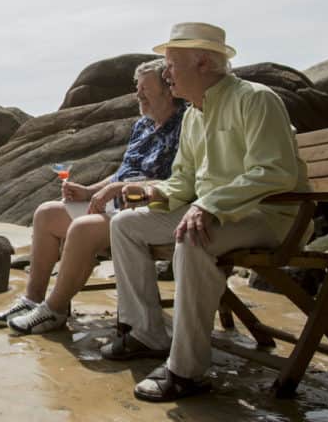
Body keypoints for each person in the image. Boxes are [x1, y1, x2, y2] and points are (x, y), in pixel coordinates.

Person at [100, 22, 309, 402]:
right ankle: (145, 332)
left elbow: (275, 170)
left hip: (270, 216)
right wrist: (143, 192)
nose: (165, 74)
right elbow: (182, 185)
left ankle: (186, 371)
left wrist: (208, 204)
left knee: (193, 238)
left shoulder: (255, 99)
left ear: (202, 63)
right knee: (126, 225)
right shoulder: (194, 116)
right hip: (214, 214)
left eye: (171, 64)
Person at [0, 58, 187, 335]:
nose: (137, 95)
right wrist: (89, 190)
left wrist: (119, 192)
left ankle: (53, 310)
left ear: (168, 89)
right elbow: (122, 173)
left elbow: (181, 181)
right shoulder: (142, 125)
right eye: (137, 88)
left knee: (81, 229)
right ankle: (31, 300)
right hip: (113, 204)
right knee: (46, 213)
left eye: (145, 88)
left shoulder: (187, 124)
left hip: (146, 210)